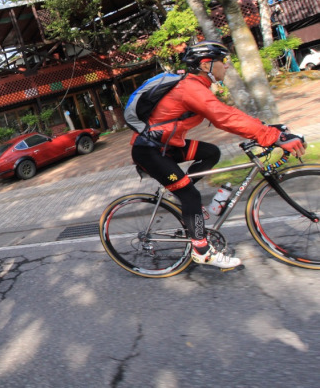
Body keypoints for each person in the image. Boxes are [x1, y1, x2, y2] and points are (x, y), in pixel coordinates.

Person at [131, 40, 306, 269]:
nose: (227, 66)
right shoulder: (189, 88)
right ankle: (201, 251)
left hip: (166, 146)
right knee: (191, 196)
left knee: (211, 153)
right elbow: (223, 118)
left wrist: (269, 129)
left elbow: (229, 113)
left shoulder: (197, 86)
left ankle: (184, 198)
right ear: (206, 65)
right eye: (223, 62)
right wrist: (271, 137)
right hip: (148, 151)